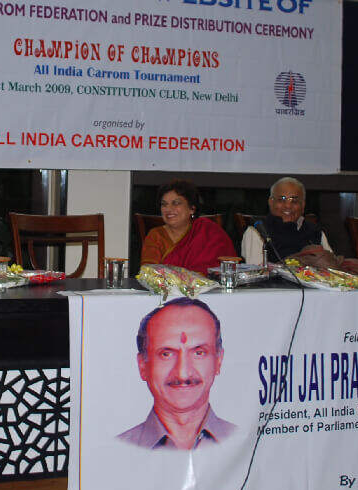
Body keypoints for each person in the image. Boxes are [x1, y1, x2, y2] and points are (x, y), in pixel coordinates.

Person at [117, 298, 236, 450]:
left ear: (218, 361)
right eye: (166, 354)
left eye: (199, 353)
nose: (183, 374)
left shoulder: (246, 442)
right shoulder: (117, 450)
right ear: (142, 366)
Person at [139, 179, 236, 275]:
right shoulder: (156, 235)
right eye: (164, 204)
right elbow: (148, 273)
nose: (168, 209)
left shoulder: (208, 232)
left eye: (176, 203)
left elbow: (226, 270)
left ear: (192, 209)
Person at [242, 177, 332, 264]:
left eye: (294, 201)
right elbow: (256, 271)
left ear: (303, 205)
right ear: (271, 202)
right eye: (281, 200)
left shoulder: (315, 232)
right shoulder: (258, 231)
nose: (288, 206)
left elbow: (332, 268)